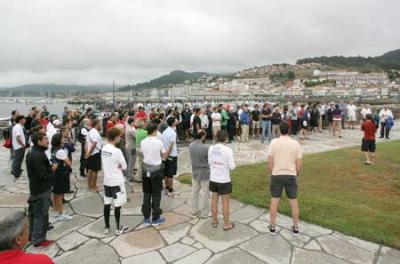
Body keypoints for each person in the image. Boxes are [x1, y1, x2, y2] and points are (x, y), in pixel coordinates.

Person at [267, 122, 302, 235]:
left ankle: (272, 226)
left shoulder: (274, 143)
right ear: (289, 130)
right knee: (294, 202)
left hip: (277, 174)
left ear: (279, 131)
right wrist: (296, 173)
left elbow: (270, 161)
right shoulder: (295, 144)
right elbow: (299, 163)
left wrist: (271, 171)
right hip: (290, 175)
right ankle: (296, 226)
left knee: (274, 201)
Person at [141, 122, 174, 226]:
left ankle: (146, 218)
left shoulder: (143, 142)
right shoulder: (158, 142)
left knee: (146, 193)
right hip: (156, 170)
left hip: (145, 169)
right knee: (156, 194)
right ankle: (155, 218)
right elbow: (164, 154)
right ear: (155, 131)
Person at [26, 132, 54, 247]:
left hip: (35, 188)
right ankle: (38, 239)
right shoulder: (38, 155)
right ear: (39, 141)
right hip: (41, 190)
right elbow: (42, 175)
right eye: (46, 139)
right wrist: (53, 171)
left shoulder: (33, 152)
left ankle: (31, 235)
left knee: (33, 214)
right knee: (41, 215)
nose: (48, 141)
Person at [101, 127, 130, 235]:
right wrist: (118, 166)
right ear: (116, 137)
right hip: (117, 181)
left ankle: (107, 227)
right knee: (118, 205)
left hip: (107, 180)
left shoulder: (104, 148)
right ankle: (118, 228)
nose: (120, 139)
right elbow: (124, 166)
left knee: (107, 203)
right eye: (119, 137)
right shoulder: (117, 151)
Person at [209, 130, 236, 231]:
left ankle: (214, 221)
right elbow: (232, 167)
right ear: (225, 138)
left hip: (213, 178)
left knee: (214, 200)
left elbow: (209, 161)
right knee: (225, 202)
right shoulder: (228, 150)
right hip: (224, 180)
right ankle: (226, 224)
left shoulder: (211, 148)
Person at [51, 133, 73, 222]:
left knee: (56, 194)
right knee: (60, 195)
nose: (64, 139)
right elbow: (69, 163)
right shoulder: (61, 151)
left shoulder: (53, 149)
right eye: (62, 137)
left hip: (56, 174)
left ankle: (57, 211)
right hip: (61, 174)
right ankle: (61, 213)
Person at [189, 129, 210, 218]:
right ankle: (204, 212)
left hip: (195, 171)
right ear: (202, 136)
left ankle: (194, 210)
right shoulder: (205, 148)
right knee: (204, 192)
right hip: (204, 172)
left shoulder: (191, 145)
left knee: (195, 191)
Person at [162, 117, 179, 196]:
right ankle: (171, 190)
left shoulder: (165, 131)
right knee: (170, 174)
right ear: (173, 123)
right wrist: (167, 156)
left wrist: (164, 156)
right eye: (175, 121)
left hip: (165, 153)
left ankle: (166, 187)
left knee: (166, 173)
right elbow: (171, 146)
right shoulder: (172, 133)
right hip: (171, 155)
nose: (176, 122)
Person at [85, 118, 103, 192]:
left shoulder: (90, 132)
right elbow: (94, 143)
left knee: (90, 169)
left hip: (91, 153)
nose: (101, 125)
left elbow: (86, 143)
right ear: (97, 124)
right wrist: (89, 153)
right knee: (95, 170)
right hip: (95, 153)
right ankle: (93, 186)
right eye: (100, 123)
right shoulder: (95, 132)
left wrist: (87, 152)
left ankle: (90, 185)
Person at [11, 115, 27, 180]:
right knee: (18, 161)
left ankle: (17, 173)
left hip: (19, 146)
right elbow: (18, 138)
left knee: (18, 161)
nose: (25, 120)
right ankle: (16, 175)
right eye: (24, 119)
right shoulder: (18, 127)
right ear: (20, 120)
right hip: (19, 147)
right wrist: (23, 145)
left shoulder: (19, 126)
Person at [125, 117, 136, 183]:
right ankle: (130, 176)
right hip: (132, 146)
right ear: (132, 122)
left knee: (129, 161)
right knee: (132, 162)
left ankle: (128, 174)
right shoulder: (131, 130)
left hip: (128, 145)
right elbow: (135, 138)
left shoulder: (127, 127)